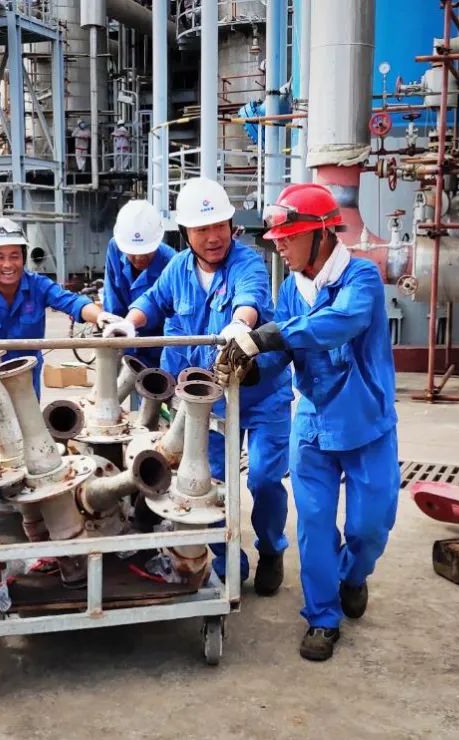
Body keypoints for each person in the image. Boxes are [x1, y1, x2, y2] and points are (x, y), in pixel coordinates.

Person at [217, 183, 400, 663]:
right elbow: (283, 355)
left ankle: (353, 575)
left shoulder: (361, 278)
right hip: (314, 427)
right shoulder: (289, 291)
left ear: (322, 234)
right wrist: (251, 368)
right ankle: (322, 617)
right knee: (314, 525)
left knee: (369, 527)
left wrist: (269, 335)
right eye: (277, 238)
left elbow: (340, 322)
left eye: (288, 236)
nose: (279, 245)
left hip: (366, 425)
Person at [105, 177, 294, 591]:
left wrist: (238, 325)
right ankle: (228, 560)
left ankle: (271, 548)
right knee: (206, 484)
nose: (213, 237)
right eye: (202, 229)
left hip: (262, 395)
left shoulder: (246, 262)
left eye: (219, 226)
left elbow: (249, 298)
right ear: (186, 234)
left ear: (231, 226)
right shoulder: (178, 269)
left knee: (264, 478)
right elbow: (153, 301)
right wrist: (129, 323)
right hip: (212, 399)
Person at [0, 217, 118, 401]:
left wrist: (101, 317)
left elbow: (73, 302)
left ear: (23, 257)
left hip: (28, 387)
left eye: (14, 256)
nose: (7, 264)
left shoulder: (39, 286)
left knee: (29, 419)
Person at [102, 200, 176, 369]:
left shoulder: (171, 262)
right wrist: (114, 327)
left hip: (159, 347)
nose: (139, 258)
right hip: (124, 339)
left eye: (146, 252)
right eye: (133, 253)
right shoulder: (115, 248)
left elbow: (171, 319)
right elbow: (112, 296)